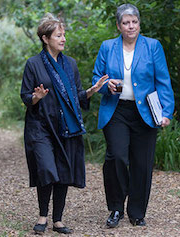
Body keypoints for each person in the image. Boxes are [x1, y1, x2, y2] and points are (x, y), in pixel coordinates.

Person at [21, 13, 108, 234]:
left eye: (64, 35)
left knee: (61, 171)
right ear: (45, 38)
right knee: (46, 169)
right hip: (40, 126)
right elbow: (26, 96)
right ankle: (43, 216)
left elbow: (77, 96)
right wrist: (37, 98)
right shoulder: (33, 64)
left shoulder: (71, 64)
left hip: (65, 126)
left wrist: (91, 91)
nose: (63, 39)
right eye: (58, 35)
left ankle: (58, 220)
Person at [92, 4, 175, 228]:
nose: (131, 26)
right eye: (126, 23)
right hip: (116, 111)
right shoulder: (107, 47)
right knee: (116, 157)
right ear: (119, 26)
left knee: (142, 163)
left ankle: (136, 212)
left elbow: (163, 81)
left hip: (145, 112)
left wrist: (166, 112)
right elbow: (95, 79)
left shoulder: (153, 46)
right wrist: (105, 85)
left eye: (134, 22)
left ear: (139, 24)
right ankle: (116, 208)